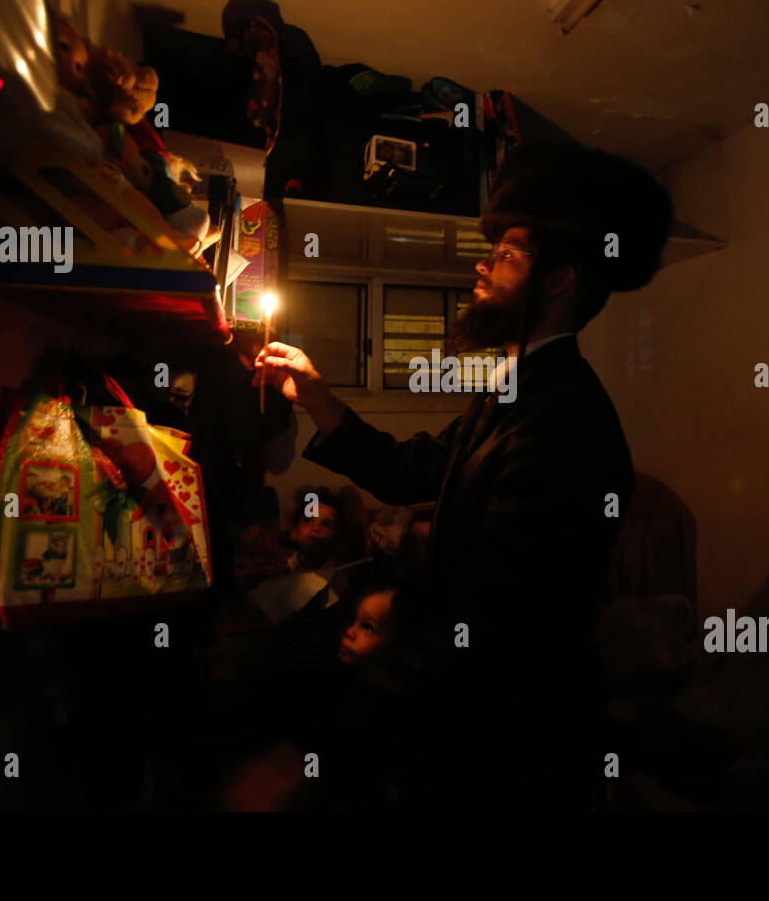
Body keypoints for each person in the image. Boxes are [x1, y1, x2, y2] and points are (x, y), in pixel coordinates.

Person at [248, 140, 674, 810]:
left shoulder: (562, 423)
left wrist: (322, 747)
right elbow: (411, 468)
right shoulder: (514, 387)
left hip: (510, 735)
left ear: (559, 279)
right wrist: (319, 398)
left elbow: (491, 632)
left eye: (506, 254)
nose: (483, 265)